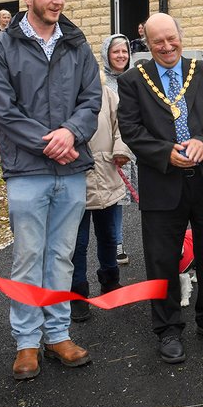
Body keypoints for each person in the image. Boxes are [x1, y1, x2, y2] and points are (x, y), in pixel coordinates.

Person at [0, 0, 102, 381]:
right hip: (27, 169)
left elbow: (92, 98)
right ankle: (26, 342)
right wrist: (49, 142)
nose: (57, 2)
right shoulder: (1, 47)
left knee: (62, 255)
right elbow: (3, 109)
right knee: (29, 256)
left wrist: (70, 133)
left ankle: (58, 334)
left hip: (70, 168)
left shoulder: (76, 43)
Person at [119, 13, 203, 364]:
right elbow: (130, 129)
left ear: (180, 36)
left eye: (171, 38)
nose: (167, 46)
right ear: (147, 42)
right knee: (161, 259)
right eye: (158, 41)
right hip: (163, 181)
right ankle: (168, 329)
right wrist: (164, 153)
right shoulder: (133, 81)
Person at [68, 39, 133, 323]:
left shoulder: (108, 95)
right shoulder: (65, 98)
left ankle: (110, 282)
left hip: (107, 174)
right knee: (78, 242)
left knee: (108, 236)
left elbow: (123, 127)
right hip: (76, 179)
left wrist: (121, 150)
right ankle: (78, 293)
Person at [100, 34, 134, 264]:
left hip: (138, 147)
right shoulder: (102, 82)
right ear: (106, 55)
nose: (121, 56)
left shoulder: (136, 78)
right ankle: (117, 244)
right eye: (116, 52)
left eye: (125, 51)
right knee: (115, 200)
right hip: (114, 149)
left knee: (151, 197)